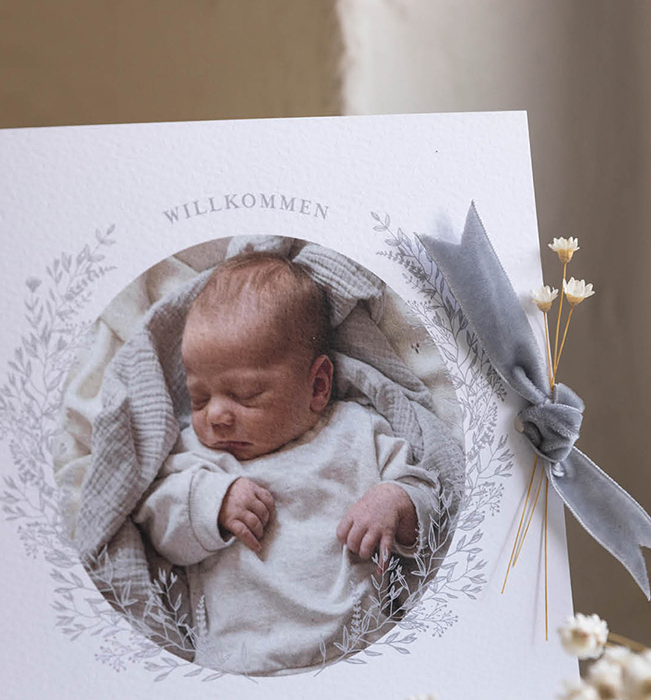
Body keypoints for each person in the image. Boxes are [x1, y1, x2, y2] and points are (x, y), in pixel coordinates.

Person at [133, 252, 439, 675]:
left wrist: (394, 500)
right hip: (240, 665)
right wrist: (212, 503)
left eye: (245, 394)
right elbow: (159, 528)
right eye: (200, 397)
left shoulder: (356, 432)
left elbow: (428, 499)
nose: (217, 415)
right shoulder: (198, 456)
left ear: (317, 386)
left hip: (363, 652)